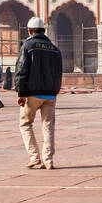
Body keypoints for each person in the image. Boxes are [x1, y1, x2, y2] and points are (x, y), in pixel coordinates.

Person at [15, 16, 63, 170]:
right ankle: (48, 160)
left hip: (32, 93)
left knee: (25, 124)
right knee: (48, 126)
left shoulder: (28, 45)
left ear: (29, 31)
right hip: (50, 94)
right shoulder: (54, 49)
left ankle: (34, 157)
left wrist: (21, 93)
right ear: (44, 30)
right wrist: (54, 91)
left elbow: (22, 70)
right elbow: (59, 73)